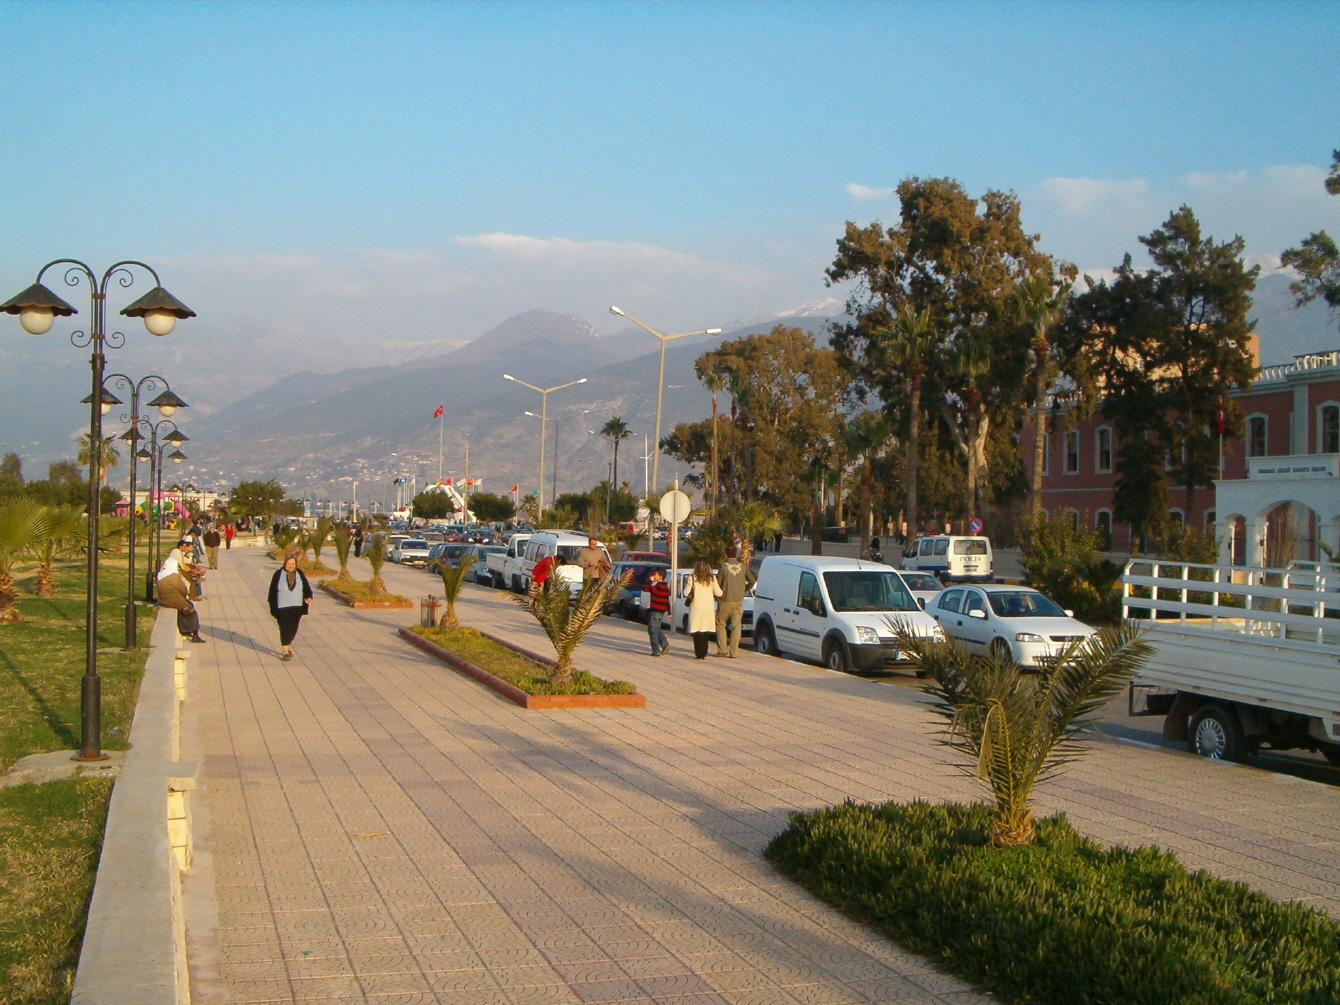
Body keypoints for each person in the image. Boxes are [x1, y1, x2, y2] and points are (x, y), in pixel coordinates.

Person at [267, 552, 314, 661]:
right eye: (289, 564)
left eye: (293, 564)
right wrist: (273, 606)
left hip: (297, 606)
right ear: (285, 563)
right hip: (282, 607)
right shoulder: (278, 574)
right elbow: (272, 592)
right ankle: (285, 651)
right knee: (284, 628)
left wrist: (309, 597)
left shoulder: (300, 573)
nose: (291, 566)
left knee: (293, 628)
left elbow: (306, 587)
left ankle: (288, 644)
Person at [157, 540, 206, 644]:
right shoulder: (174, 577)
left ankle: (185, 630)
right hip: (175, 601)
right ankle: (194, 634)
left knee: (183, 609)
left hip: (164, 600)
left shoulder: (162, 576)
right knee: (191, 609)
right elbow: (183, 590)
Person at [715, 545, 751, 658]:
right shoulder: (743, 566)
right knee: (736, 626)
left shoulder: (723, 566)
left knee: (721, 624)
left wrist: (719, 594)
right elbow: (752, 580)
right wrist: (744, 589)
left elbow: (718, 582)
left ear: (725, 554)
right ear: (736, 554)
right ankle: (734, 652)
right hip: (738, 600)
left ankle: (722, 649)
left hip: (725, 600)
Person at [685, 560, 722, 660]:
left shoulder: (692, 578)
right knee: (705, 630)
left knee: (697, 631)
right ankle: (704, 652)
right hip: (708, 608)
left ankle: (699, 653)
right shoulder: (712, 578)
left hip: (696, 607)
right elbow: (719, 593)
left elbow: (685, 593)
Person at [645, 567, 670, 656]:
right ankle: (664, 644)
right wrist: (669, 612)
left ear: (660, 576)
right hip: (661, 611)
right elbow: (667, 601)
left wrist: (650, 581)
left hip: (655, 611)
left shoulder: (657, 587)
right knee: (656, 628)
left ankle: (656, 650)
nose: (653, 576)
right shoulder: (666, 587)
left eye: (655, 574)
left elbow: (646, 589)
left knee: (652, 631)